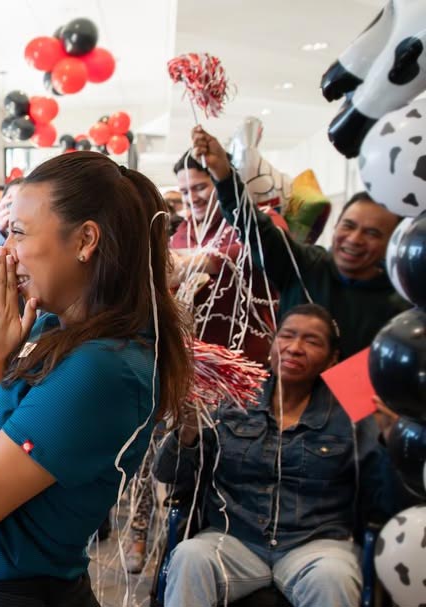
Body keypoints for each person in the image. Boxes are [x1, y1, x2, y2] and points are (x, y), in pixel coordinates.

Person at [0, 151, 192, 606]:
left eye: (18, 233)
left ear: (85, 240)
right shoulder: (49, 328)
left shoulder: (103, 368)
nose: (5, 252)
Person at [155, 304, 394, 607]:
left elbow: (382, 498)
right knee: (190, 557)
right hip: (234, 540)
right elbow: (168, 474)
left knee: (333, 578)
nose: (295, 348)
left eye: (311, 341)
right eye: (287, 336)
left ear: (332, 359)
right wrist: (186, 433)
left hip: (315, 545)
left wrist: (389, 440)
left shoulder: (349, 417)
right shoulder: (234, 401)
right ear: (272, 346)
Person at [190, 125, 407, 358]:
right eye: (348, 225)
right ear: (336, 226)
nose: (354, 239)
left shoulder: (401, 304)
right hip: (285, 393)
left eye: (372, 233)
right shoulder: (303, 264)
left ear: (392, 242)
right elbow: (253, 227)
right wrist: (223, 174)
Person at [171, 151, 275, 366]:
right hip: (193, 364)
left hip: (248, 362)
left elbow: (266, 249)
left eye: (200, 187)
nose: (192, 198)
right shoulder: (182, 232)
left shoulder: (255, 221)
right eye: (184, 192)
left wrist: (200, 262)